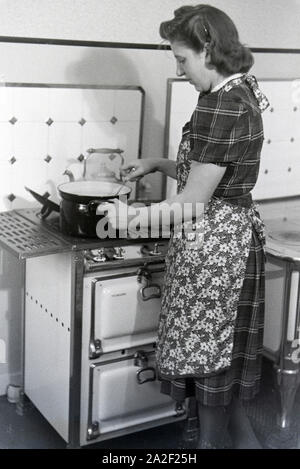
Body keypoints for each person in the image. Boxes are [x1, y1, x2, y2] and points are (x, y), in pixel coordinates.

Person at [99, 4, 268, 449]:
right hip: (226, 240)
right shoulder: (237, 92)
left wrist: (124, 220)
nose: (179, 69)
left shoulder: (221, 106)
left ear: (208, 50)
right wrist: (156, 163)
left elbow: (191, 203)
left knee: (211, 374)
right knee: (220, 376)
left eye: (181, 59)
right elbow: (211, 175)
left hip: (216, 254)